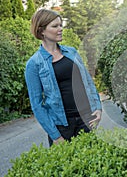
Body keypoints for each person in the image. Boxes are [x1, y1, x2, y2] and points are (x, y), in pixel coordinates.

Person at [25, 9, 102, 146]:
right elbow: (36, 104)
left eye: (61, 25)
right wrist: (55, 135)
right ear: (41, 30)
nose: (60, 29)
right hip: (62, 127)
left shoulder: (71, 52)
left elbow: (88, 81)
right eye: (55, 26)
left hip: (87, 119)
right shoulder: (34, 64)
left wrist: (97, 107)